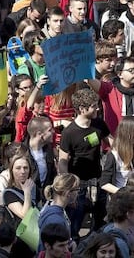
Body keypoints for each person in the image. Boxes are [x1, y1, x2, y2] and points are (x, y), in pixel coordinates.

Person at [58, 88, 112, 240]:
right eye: (94, 106)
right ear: (82, 109)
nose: (98, 108)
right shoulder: (69, 132)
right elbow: (63, 160)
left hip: (98, 179)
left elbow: (111, 142)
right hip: (78, 183)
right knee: (76, 218)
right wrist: (68, 183)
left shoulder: (99, 124)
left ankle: (98, 241)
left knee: (100, 215)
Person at [87, 57, 134, 135]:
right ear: (120, 74)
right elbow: (90, 79)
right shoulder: (109, 89)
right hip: (114, 142)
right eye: (131, 71)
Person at [38, 174, 80, 251]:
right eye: (77, 190)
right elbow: (54, 250)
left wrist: (70, 242)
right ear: (68, 193)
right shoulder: (56, 220)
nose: (78, 193)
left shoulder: (51, 207)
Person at [100, 117, 134, 194]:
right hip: (122, 199)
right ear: (129, 135)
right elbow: (104, 183)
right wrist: (123, 193)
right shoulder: (114, 155)